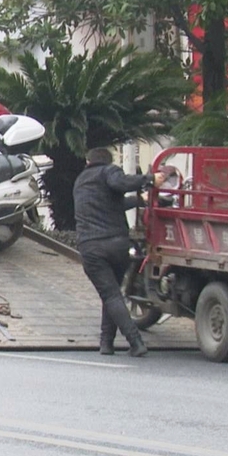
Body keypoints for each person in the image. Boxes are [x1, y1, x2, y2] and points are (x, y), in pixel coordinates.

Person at [73, 147, 165, 357]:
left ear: (88, 162)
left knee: (110, 294)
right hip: (117, 244)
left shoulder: (80, 182)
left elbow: (114, 203)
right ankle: (116, 342)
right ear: (108, 161)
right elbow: (119, 183)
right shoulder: (109, 172)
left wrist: (140, 199)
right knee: (112, 294)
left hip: (91, 247)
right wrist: (150, 179)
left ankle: (118, 343)